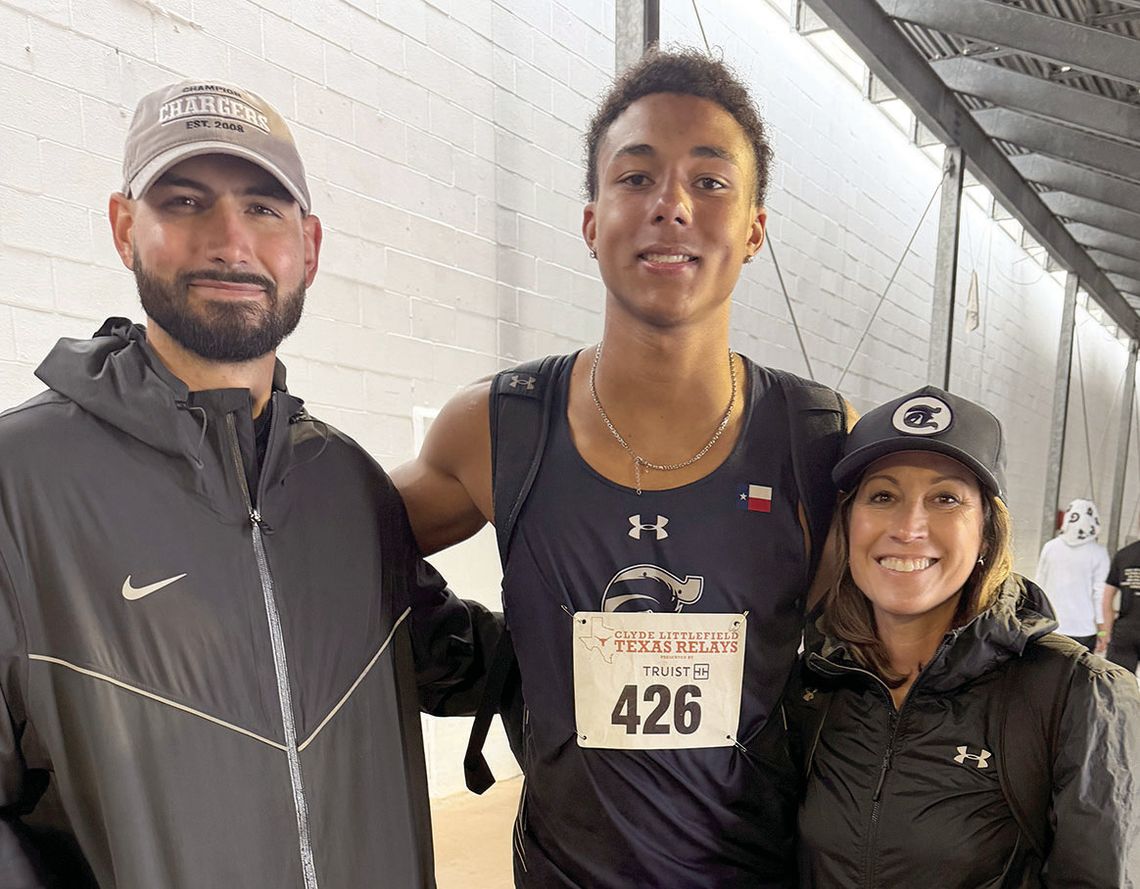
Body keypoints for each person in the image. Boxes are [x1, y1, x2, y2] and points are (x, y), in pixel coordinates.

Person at [0, 80, 496, 888]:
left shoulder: (346, 485)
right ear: (126, 227)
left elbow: (446, 654)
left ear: (310, 244)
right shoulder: (20, 486)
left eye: (265, 209)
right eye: (186, 201)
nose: (231, 241)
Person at [393, 50, 851, 887]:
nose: (671, 206)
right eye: (636, 178)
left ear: (754, 227)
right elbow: (327, 544)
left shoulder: (814, 441)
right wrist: (478, 655)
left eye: (710, 182)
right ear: (592, 219)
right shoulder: (499, 428)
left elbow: (912, 643)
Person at [794, 385, 1140, 888]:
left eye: (945, 498)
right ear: (848, 525)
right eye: (883, 495)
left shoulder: (1078, 695)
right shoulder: (817, 684)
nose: (909, 527)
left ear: (985, 533)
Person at [1035, 498, 1110, 650]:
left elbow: (1038, 585)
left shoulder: (1050, 547)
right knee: (1080, 673)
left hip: (1051, 625)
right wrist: (1102, 630)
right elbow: (1099, 594)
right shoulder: (1099, 553)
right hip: (1084, 629)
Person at [1102, 538, 1140, 673]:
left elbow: (1107, 597)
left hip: (1125, 633)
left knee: (1118, 687)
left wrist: (1105, 632)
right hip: (1125, 634)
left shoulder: (1124, 554)